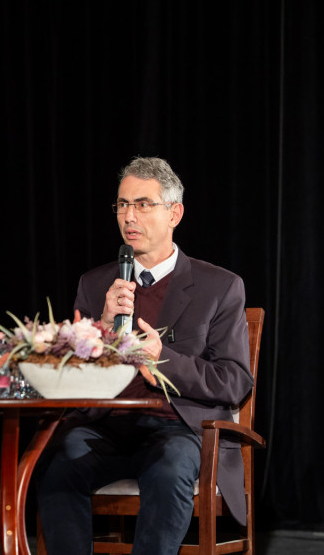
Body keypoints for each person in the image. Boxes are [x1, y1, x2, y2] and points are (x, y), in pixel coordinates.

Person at [34, 156, 254, 555]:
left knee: (169, 470)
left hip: (178, 429)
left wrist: (162, 358)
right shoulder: (96, 283)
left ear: (174, 214)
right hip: (105, 427)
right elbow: (71, 379)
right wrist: (100, 326)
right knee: (56, 461)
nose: (129, 216)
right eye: (122, 204)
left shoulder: (218, 286)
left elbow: (234, 381)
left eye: (142, 204)